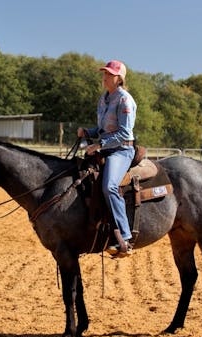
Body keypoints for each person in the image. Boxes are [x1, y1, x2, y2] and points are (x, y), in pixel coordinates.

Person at [77, 60, 137, 257]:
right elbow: (103, 130)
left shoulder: (124, 100)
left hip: (121, 150)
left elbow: (124, 133)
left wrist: (100, 145)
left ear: (119, 78)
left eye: (109, 74)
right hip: (105, 149)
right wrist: (88, 131)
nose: (105, 76)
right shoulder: (103, 99)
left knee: (109, 186)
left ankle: (125, 236)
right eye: (104, 73)